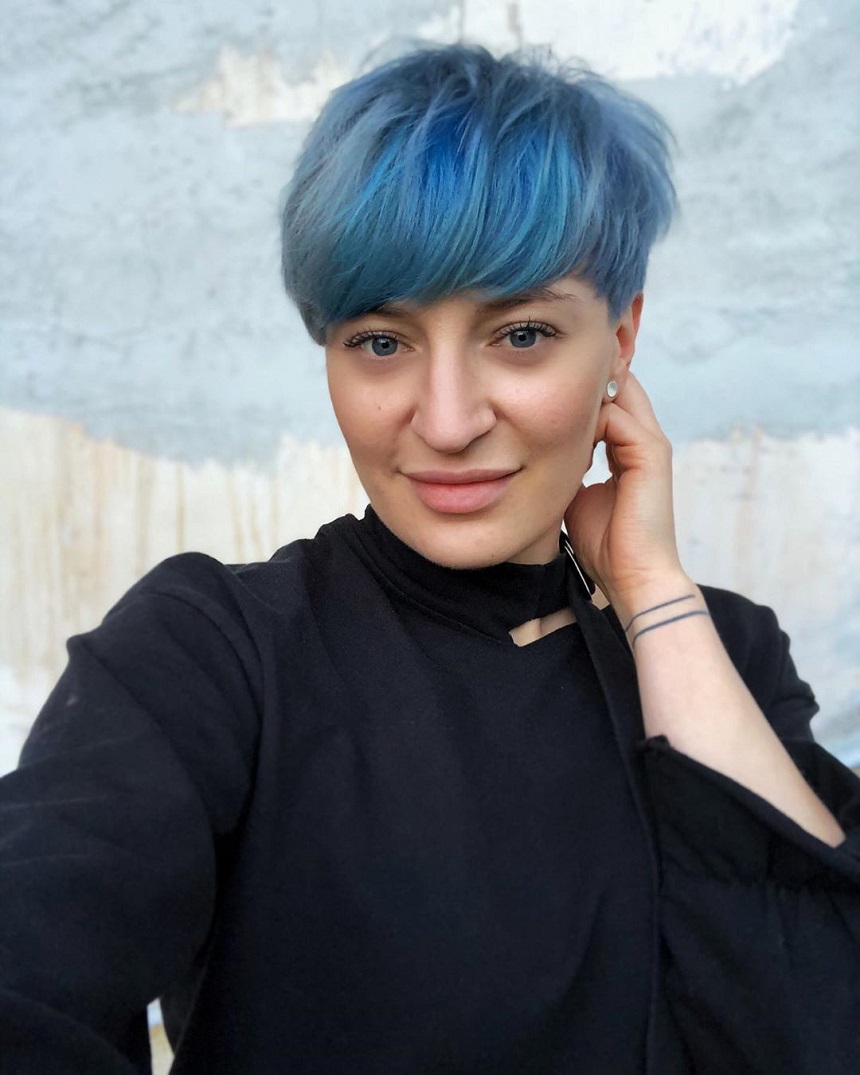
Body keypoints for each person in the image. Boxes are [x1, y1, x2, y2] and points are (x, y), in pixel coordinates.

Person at [1, 42, 858, 1075]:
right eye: (380, 342)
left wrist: (653, 591)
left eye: (521, 334)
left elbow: (812, 1024)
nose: (447, 423)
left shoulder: (727, 655)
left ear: (621, 338)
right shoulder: (212, 653)